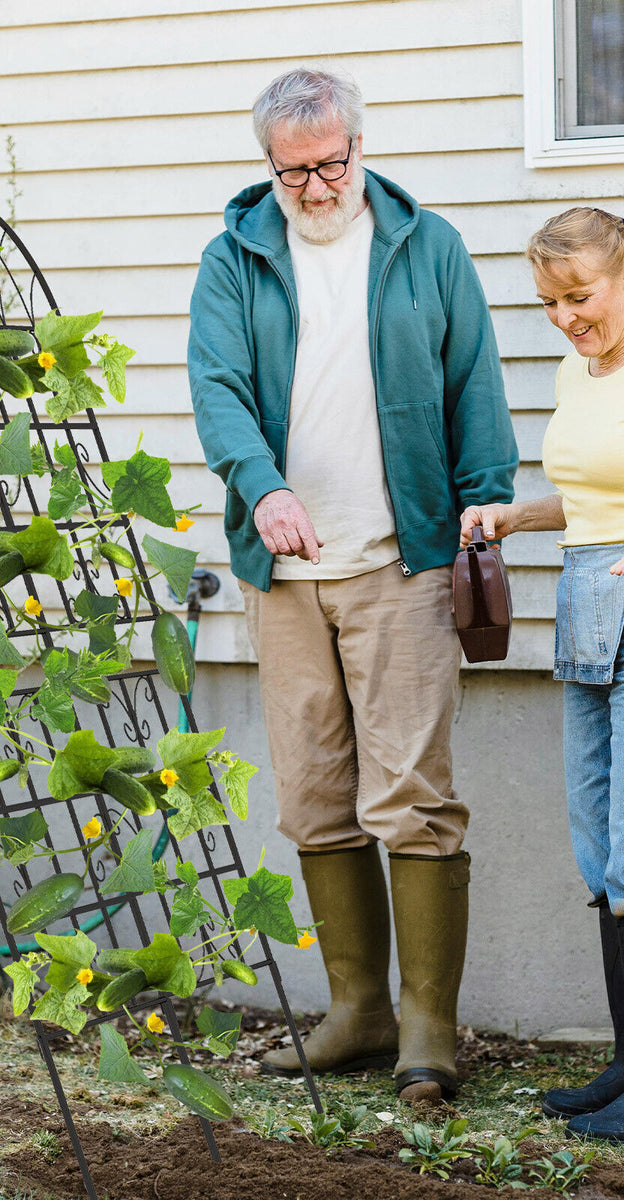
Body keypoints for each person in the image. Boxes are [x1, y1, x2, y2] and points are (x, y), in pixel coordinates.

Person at [187, 67, 518, 1104]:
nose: (316, 188)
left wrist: (486, 500)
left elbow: (477, 383)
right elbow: (217, 387)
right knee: (316, 798)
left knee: (413, 799)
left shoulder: (430, 247)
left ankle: (428, 1030)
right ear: (269, 168)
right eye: (293, 172)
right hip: (286, 579)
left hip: (402, 560)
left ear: (359, 149)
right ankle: (358, 1014)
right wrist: (262, 484)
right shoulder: (236, 258)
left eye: (330, 164)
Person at [460, 206, 624, 1139]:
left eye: (582, 294)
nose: (566, 315)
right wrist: (514, 517)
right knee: (598, 850)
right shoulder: (579, 368)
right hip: (582, 612)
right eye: (550, 301)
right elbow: (598, 493)